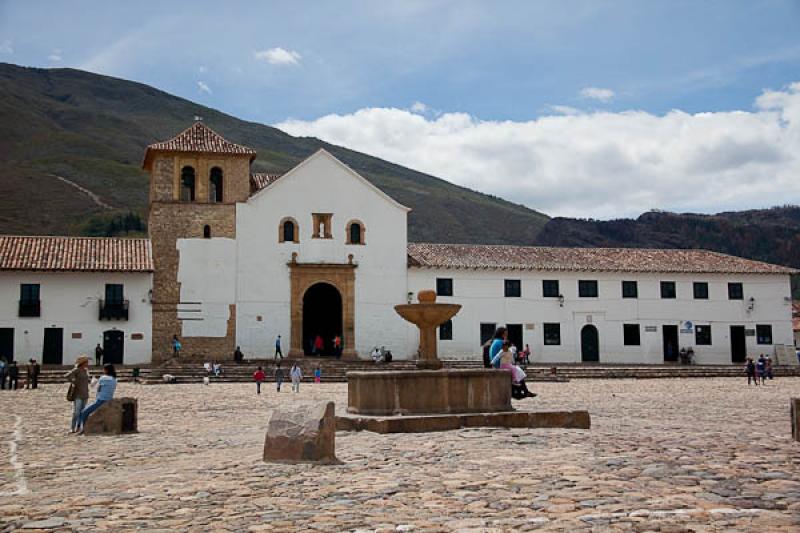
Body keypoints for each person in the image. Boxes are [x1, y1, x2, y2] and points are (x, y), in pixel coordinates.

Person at [78, 364, 117, 434]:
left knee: (84, 412)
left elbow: (98, 389)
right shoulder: (114, 379)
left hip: (101, 400)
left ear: (106, 370)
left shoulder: (103, 378)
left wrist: (94, 381)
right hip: (109, 399)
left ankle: (83, 429)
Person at [65, 355, 90, 433]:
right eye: (86, 362)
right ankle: (72, 427)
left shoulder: (86, 370)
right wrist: (73, 381)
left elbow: (87, 379)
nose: (88, 363)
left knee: (83, 411)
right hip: (78, 393)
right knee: (76, 411)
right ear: (83, 363)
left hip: (85, 393)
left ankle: (79, 427)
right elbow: (67, 375)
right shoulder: (77, 370)